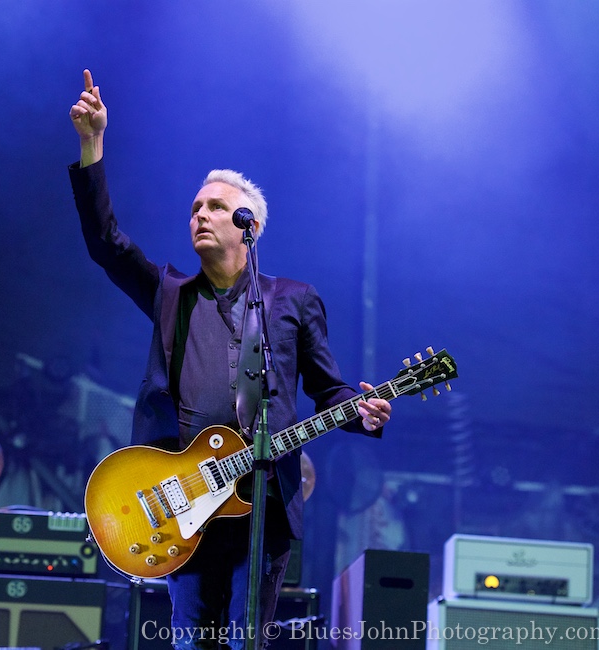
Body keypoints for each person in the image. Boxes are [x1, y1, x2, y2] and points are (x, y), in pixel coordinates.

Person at [67, 69, 392, 649]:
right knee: (191, 642)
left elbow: (329, 390)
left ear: (250, 226)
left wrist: (360, 410)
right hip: (180, 498)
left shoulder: (292, 300)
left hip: (260, 502)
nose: (199, 214)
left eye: (215, 206)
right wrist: (92, 145)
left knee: (248, 643)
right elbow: (106, 244)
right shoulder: (171, 293)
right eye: (194, 207)